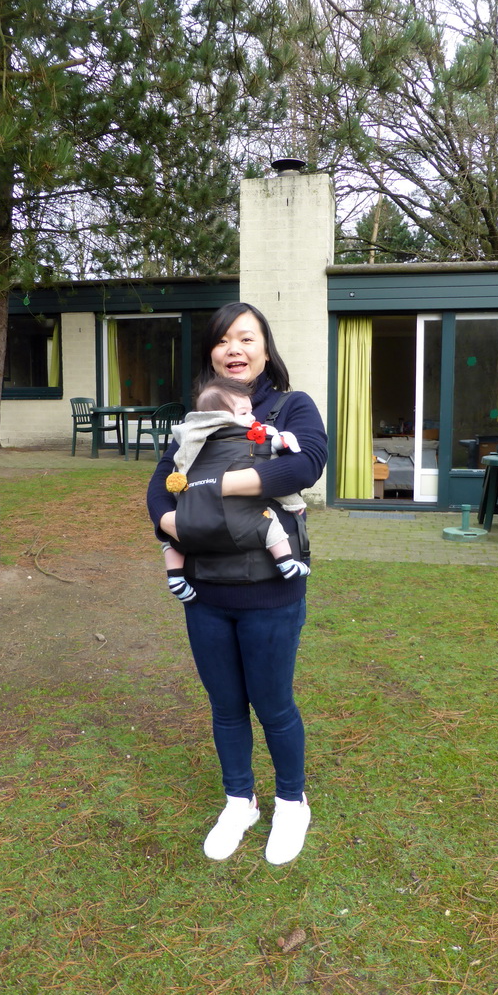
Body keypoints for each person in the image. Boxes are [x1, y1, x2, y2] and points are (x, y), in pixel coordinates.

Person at [146, 302, 327, 865]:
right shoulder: (199, 417)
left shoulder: (291, 406)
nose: (234, 349)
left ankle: (292, 802)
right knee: (225, 705)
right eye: (223, 340)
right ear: (211, 354)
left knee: (272, 704)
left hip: (269, 589)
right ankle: (239, 799)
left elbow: (305, 465)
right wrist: (169, 521)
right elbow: (161, 482)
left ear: (265, 349)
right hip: (205, 591)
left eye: (246, 338)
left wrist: (214, 488)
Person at [161, 375, 310, 605]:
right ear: (217, 417)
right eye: (243, 413)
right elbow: (276, 481)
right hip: (244, 523)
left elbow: (176, 470)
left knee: (172, 539)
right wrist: (295, 504)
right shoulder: (252, 444)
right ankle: (286, 563)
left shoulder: (189, 438)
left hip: (196, 518)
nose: (252, 418)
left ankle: (175, 578)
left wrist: (183, 500)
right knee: (269, 524)